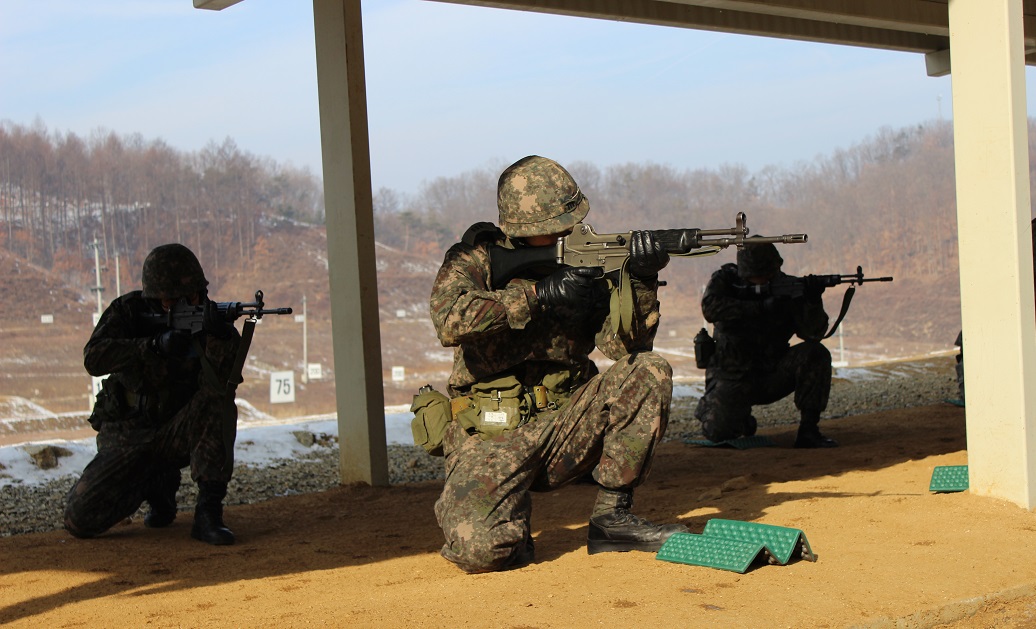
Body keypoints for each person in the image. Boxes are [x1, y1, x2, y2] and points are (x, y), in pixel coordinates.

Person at [428, 155, 687, 573]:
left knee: (648, 370)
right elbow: (449, 320)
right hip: (491, 435)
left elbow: (626, 350)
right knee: (481, 551)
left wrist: (640, 279)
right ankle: (508, 522)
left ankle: (612, 518)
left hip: (567, 425)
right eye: (555, 227)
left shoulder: (589, 260)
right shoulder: (475, 259)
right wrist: (538, 295)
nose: (568, 231)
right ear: (522, 229)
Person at [64, 243, 242, 545]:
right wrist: (152, 346)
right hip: (128, 434)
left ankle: (208, 512)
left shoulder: (209, 320)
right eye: (172, 301)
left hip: (175, 431)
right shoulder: (129, 312)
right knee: (80, 519)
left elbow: (222, 384)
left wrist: (221, 337)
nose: (185, 305)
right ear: (155, 299)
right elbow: (93, 359)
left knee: (218, 401)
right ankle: (154, 485)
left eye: (192, 297)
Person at [694, 240, 837, 448]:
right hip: (733, 376)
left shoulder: (787, 288)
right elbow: (710, 309)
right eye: (757, 276)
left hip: (772, 374)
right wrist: (760, 307)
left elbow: (813, 333)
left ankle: (809, 430)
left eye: (769, 274)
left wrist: (813, 302)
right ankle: (731, 415)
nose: (764, 280)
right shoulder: (726, 282)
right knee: (719, 433)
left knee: (816, 353)